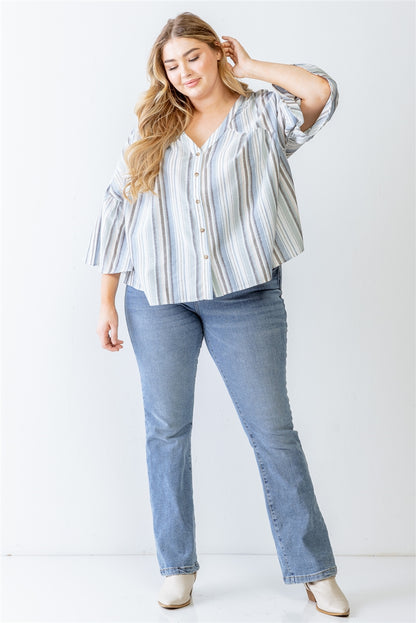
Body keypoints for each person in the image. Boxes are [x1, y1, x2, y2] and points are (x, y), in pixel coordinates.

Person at [85, 11, 350, 618]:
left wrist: (250, 66)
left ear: (216, 51)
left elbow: (319, 91)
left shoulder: (263, 114)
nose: (184, 73)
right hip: (157, 297)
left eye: (193, 57)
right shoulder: (153, 127)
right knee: (166, 432)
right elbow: (117, 208)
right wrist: (105, 300)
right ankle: (176, 567)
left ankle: (314, 571)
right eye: (171, 65)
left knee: (274, 434)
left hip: (245, 297)